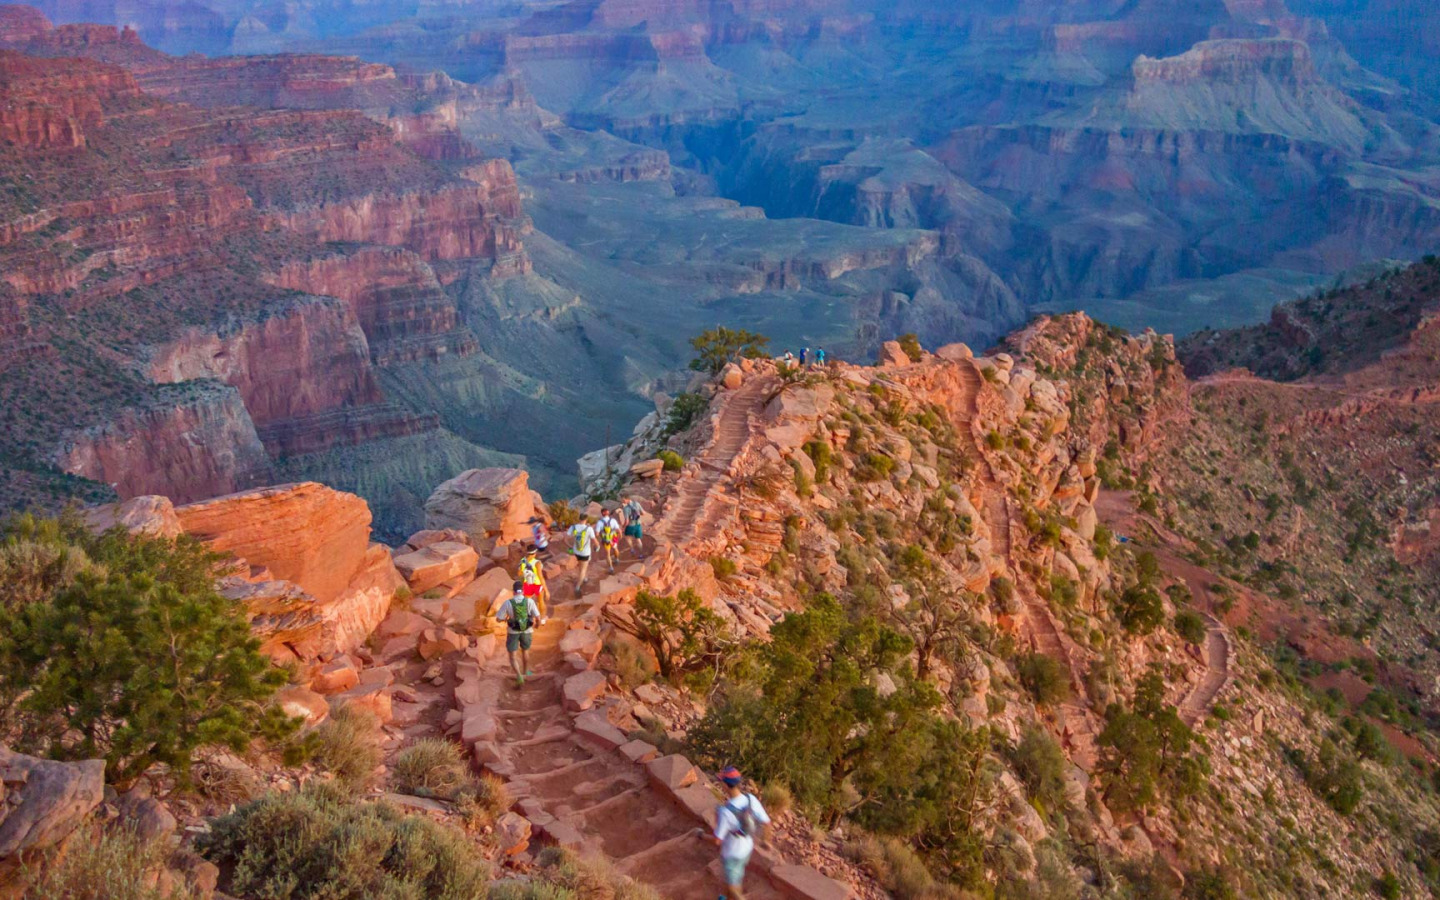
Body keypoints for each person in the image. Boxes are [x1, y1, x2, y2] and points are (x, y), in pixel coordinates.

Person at [702, 766, 771, 900]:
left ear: (726, 785)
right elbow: (767, 823)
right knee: (734, 881)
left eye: (721, 781)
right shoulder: (750, 799)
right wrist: (766, 841)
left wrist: (701, 835)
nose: (720, 784)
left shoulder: (726, 812)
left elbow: (717, 840)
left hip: (732, 853)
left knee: (734, 890)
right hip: (746, 849)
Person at [496, 580, 543, 687]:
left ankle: (519, 676)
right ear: (523, 591)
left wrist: (505, 619)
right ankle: (526, 671)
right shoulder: (529, 602)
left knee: (512, 654)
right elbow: (538, 617)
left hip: (513, 631)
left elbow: (498, 619)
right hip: (527, 630)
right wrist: (537, 625)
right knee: (525, 651)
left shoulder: (508, 603)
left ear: (513, 591)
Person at [567, 516, 598, 596]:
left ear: (579, 519)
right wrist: (597, 547)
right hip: (585, 553)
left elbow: (565, 538)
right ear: (586, 519)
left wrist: (569, 546)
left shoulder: (573, 527)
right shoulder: (589, 529)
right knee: (583, 569)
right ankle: (578, 586)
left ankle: (584, 578)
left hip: (576, 551)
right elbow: (595, 541)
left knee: (580, 566)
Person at [519, 545, 550, 615]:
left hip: (527, 584)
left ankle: (529, 620)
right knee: (541, 602)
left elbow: (520, 573)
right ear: (535, 553)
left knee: (527, 603)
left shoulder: (523, 561)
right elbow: (540, 577)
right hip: (537, 584)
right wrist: (546, 590)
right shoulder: (537, 563)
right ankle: (542, 619)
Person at [597, 507, 622, 574]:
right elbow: (618, 530)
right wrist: (620, 535)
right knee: (615, 548)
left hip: (606, 539)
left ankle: (611, 568)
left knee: (608, 554)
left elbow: (597, 533)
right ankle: (617, 559)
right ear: (608, 513)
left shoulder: (599, 522)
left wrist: (600, 536)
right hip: (613, 537)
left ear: (602, 513)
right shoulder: (613, 520)